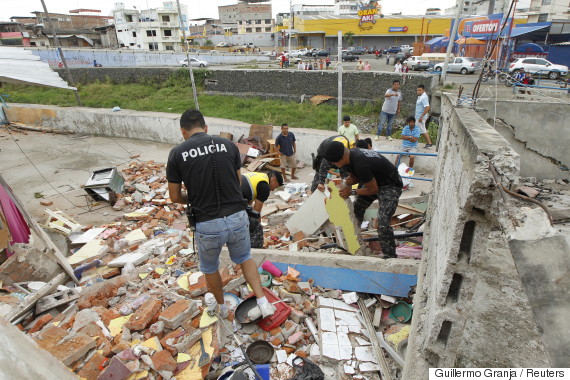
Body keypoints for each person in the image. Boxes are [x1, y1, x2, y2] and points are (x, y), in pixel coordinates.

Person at [167, 110, 276, 320]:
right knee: (245, 258)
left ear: (183, 132)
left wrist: (197, 197)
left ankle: (222, 308)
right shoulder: (227, 145)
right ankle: (263, 303)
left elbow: (174, 196)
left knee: (210, 268)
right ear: (206, 128)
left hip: (207, 224)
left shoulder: (177, 153)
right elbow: (237, 183)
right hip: (237, 217)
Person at [323, 141, 403, 258]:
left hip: (390, 185)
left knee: (382, 223)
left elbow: (373, 190)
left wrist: (352, 192)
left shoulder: (361, 164)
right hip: (376, 181)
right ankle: (354, 241)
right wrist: (342, 185)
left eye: (333, 162)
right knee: (356, 209)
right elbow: (354, 178)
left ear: (339, 160)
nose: (333, 165)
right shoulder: (349, 156)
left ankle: (390, 256)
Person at [241, 171, 283, 248]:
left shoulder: (260, 176)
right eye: (275, 186)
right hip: (235, 198)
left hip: (231, 192)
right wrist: (258, 224)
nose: (273, 190)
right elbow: (256, 212)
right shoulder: (265, 187)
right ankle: (255, 249)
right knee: (256, 227)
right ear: (273, 179)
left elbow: (249, 202)